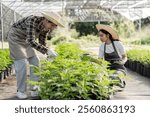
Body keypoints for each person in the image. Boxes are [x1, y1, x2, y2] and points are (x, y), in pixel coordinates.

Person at [7, 11, 64, 99]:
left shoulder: (46, 28)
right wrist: (47, 51)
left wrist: (48, 52)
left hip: (27, 39)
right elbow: (31, 41)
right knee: (21, 63)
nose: (53, 28)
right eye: (53, 25)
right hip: (16, 38)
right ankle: (20, 91)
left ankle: (34, 88)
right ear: (47, 20)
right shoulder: (32, 20)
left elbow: (42, 42)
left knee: (35, 61)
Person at [96, 24, 127, 88]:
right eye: (99, 36)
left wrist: (122, 62)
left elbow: (125, 57)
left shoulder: (117, 44)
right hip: (108, 69)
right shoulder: (102, 46)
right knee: (104, 78)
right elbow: (100, 60)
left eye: (102, 36)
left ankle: (120, 81)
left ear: (107, 35)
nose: (100, 38)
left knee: (115, 76)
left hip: (119, 68)